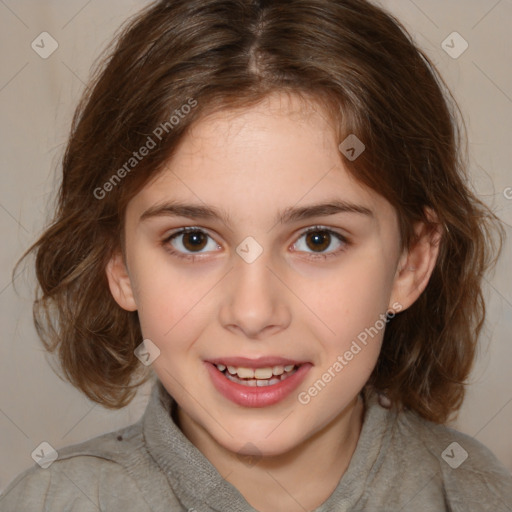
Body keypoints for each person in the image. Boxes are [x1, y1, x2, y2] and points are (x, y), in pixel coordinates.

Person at [1, 0, 511, 510]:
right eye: (193, 240)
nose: (252, 312)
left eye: (318, 240)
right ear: (119, 263)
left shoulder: (476, 495)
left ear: (411, 262)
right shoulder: (50, 501)